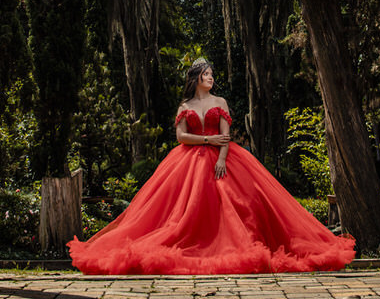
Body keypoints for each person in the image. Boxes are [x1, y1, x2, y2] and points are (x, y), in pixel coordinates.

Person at [67, 58, 355, 274]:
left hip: (223, 159)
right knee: (182, 211)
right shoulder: (184, 105)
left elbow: (226, 136)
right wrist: (206, 139)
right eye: (206, 74)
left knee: (239, 203)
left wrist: (219, 157)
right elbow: (180, 136)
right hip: (187, 160)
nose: (211, 78)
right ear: (195, 78)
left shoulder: (221, 102)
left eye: (212, 74)